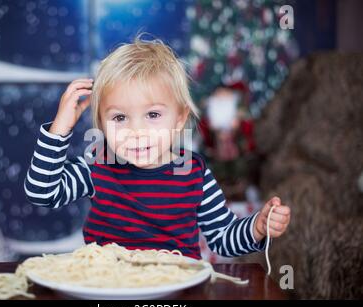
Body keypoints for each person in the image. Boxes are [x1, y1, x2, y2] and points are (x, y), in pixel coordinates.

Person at [24, 36, 290, 259]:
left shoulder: (194, 174)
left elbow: (222, 239)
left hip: (177, 289)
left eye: (152, 115)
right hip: (108, 287)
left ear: (179, 119)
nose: (137, 132)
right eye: (119, 118)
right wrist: (60, 128)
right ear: (102, 125)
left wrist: (257, 227)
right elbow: (42, 192)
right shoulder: (98, 165)